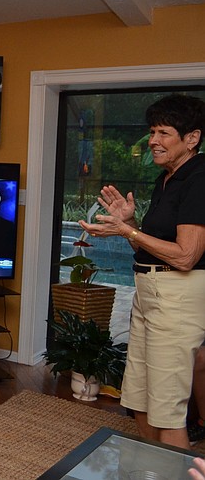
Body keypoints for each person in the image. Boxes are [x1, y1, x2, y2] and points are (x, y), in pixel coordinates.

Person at [79, 94, 205, 450]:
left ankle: (173, 470)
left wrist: (127, 231)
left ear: (192, 138)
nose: (153, 140)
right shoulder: (167, 179)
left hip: (177, 297)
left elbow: (186, 256)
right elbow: (148, 249)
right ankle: (151, 469)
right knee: (139, 399)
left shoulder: (199, 178)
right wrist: (130, 223)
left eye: (164, 133)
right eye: (152, 132)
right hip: (148, 293)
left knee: (167, 410)